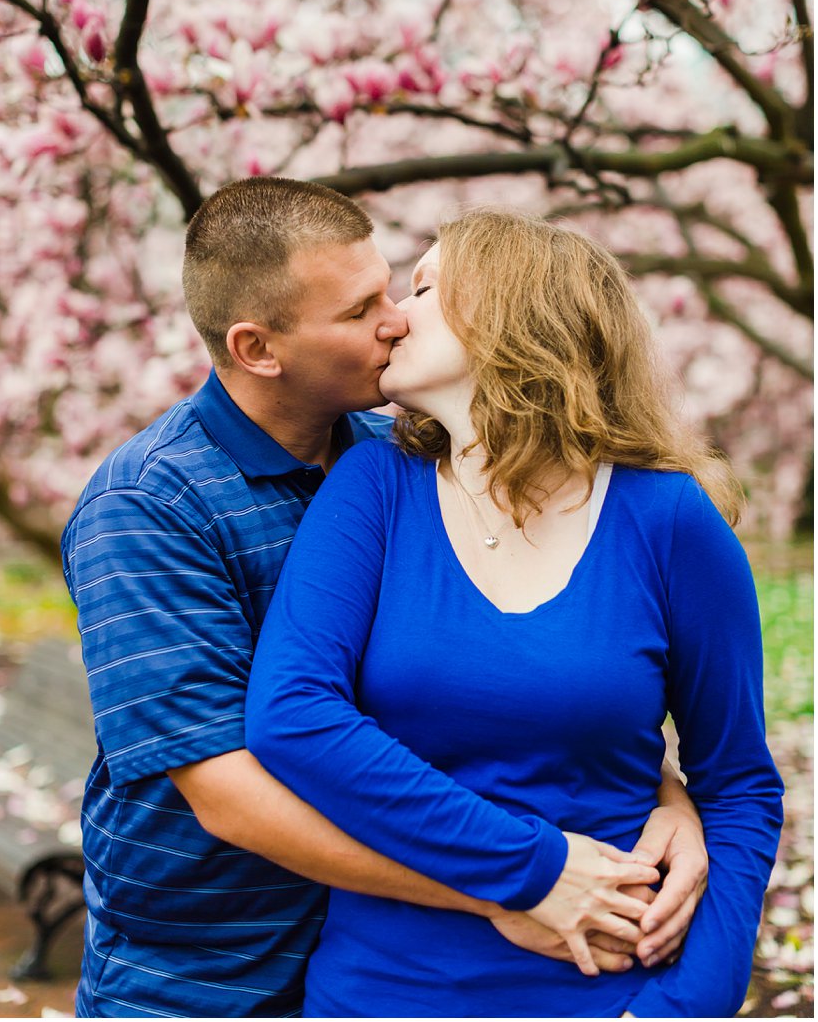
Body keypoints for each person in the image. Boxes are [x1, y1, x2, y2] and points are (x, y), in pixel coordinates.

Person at [63, 179, 707, 1019]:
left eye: (392, 286)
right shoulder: (147, 506)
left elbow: (499, 678)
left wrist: (666, 797)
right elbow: (228, 793)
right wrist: (509, 886)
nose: (397, 318)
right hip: (211, 971)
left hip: (377, 950)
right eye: (361, 307)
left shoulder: (402, 457)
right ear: (259, 347)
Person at [244, 207, 784, 1018]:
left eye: (423, 286)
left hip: (610, 993)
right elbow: (292, 715)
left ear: (509, 313)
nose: (392, 317)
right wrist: (532, 864)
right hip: (385, 992)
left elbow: (739, 785)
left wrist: (681, 1007)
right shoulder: (372, 489)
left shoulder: (668, 521)